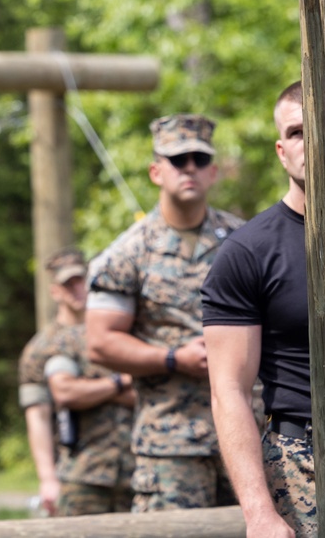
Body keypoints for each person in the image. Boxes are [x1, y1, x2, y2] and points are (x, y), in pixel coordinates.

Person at [85, 114, 244, 511]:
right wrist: (173, 359)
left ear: (214, 172)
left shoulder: (245, 243)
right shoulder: (127, 253)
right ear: (156, 171)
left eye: (199, 158)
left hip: (248, 434)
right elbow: (100, 344)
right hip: (171, 443)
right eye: (178, 159)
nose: (189, 167)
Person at [202, 81, 314, 538]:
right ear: (281, 150)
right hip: (305, 460)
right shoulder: (249, 251)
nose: (310, 142)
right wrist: (259, 512)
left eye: (322, 127)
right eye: (297, 132)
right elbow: (228, 388)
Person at [18, 249, 135, 516]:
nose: (78, 289)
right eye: (68, 284)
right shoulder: (41, 347)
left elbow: (144, 392)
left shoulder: (117, 334)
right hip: (80, 473)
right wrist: (47, 479)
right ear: (55, 291)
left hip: (135, 470)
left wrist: (88, 391)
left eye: (82, 280)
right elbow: (39, 415)